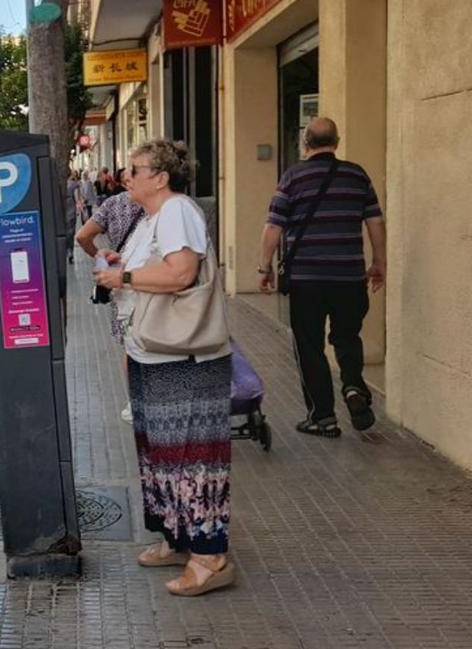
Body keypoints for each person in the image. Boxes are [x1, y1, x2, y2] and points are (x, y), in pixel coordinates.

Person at [94, 138, 234, 597]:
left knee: (192, 457)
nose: (125, 176)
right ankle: (177, 537)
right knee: (162, 455)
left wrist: (125, 276)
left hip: (183, 360)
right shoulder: (151, 218)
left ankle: (210, 557)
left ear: (160, 176)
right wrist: (121, 262)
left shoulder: (177, 211)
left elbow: (180, 274)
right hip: (153, 355)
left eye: (135, 169)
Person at [258, 117, 386, 437]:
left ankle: (323, 417)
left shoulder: (292, 177)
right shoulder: (357, 175)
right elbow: (375, 222)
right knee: (347, 337)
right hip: (349, 276)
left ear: (306, 143)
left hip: (306, 279)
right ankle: (354, 387)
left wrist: (265, 267)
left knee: (309, 345)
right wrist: (379, 262)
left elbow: (273, 226)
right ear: (337, 141)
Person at [74, 168, 145, 422]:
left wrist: (101, 256)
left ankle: (134, 401)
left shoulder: (113, 204)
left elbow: (82, 236)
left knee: (131, 345)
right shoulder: (160, 207)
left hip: (122, 284)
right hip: (152, 283)